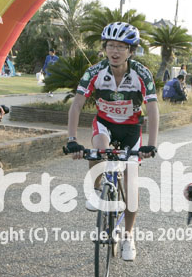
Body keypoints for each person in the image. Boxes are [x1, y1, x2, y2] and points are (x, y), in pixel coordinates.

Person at [65, 22, 159, 261]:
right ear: (104, 48)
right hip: (105, 124)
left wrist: (151, 144)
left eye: (121, 47)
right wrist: (72, 140)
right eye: (110, 46)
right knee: (98, 150)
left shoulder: (141, 73)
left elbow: (153, 109)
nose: (114, 51)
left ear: (130, 51)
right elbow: (76, 105)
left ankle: (128, 236)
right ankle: (97, 189)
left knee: (131, 187)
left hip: (131, 130)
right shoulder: (94, 72)